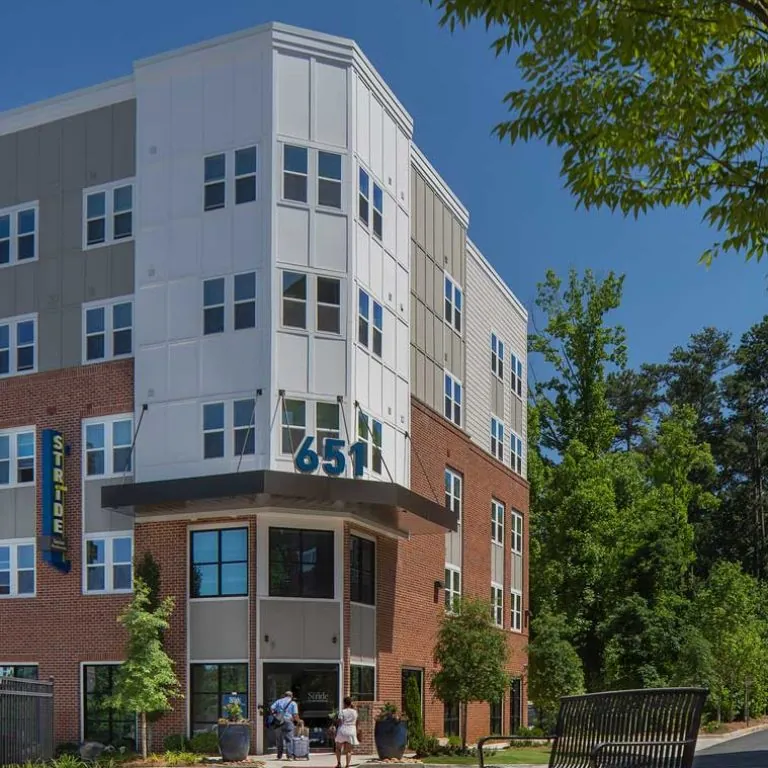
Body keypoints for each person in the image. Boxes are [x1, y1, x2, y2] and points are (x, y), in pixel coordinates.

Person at [271, 690, 299, 760]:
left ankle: (279, 756)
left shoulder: (278, 701)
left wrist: (275, 715)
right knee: (289, 739)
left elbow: (272, 708)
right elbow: (295, 714)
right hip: (288, 721)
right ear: (291, 696)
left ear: (284, 695)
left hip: (278, 721)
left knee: (279, 739)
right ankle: (289, 756)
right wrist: (298, 721)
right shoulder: (293, 703)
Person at [334, 697, 359, 768]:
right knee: (349, 751)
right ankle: (347, 765)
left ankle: (339, 763)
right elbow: (357, 722)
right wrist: (356, 730)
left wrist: (334, 722)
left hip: (343, 730)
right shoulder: (355, 712)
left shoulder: (342, 711)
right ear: (351, 703)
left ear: (344, 703)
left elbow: (339, 721)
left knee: (338, 748)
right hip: (351, 730)